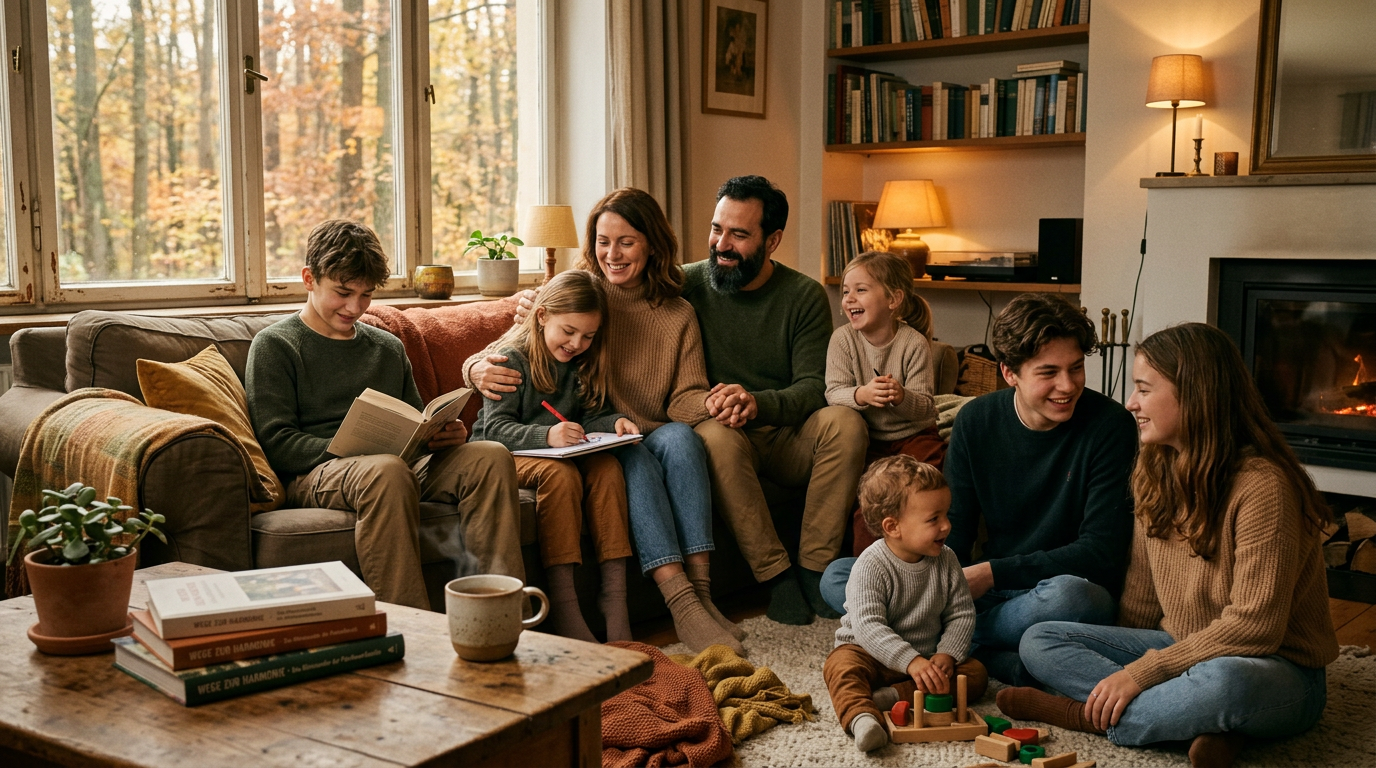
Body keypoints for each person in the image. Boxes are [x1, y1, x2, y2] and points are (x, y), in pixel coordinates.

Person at [998, 323, 1338, 768]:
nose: (1131, 403)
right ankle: (1199, 722)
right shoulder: (1155, 466)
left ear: (1195, 395)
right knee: (1040, 640)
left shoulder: (1264, 487)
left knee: (1223, 684)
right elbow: (1141, 596)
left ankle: (1084, 715)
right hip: (1178, 644)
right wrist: (1125, 667)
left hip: (1274, 668)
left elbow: (1257, 627)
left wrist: (1141, 674)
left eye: (1143, 389)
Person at [465, 188, 743, 654]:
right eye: (602, 240)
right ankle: (678, 601)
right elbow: (497, 356)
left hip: (625, 427)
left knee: (681, 440)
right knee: (627, 461)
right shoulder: (571, 295)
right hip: (596, 438)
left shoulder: (677, 313)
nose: (612, 254)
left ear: (651, 243)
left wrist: (719, 404)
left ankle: (701, 596)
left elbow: (683, 403)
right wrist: (474, 369)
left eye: (627, 242)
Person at [822, 293, 1137, 685]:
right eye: (1048, 372)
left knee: (1075, 599)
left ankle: (950, 645)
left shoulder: (1111, 426)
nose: (1067, 385)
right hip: (971, 593)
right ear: (1009, 373)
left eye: (1076, 368)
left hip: (1046, 592)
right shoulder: (977, 420)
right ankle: (978, 654)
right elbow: (954, 525)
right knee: (840, 575)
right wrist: (937, 583)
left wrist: (989, 574)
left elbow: (1101, 551)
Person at [246, 219, 523, 610]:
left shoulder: (386, 347)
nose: (355, 307)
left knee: (490, 456)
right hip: (316, 473)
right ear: (309, 279)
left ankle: (501, 614)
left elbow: (413, 421)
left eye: (366, 295)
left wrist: (440, 435)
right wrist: (353, 448)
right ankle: (414, 629)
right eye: (343, 293)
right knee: (387, 470)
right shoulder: (275, 345)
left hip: (396, 463)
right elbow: (278, 444)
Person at [688, 175, 868, 626]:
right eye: (716, 229)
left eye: (739, 234)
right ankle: (776, 577)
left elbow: (814, 386)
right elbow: (614, 286)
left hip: (787, 434)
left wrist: (757, 402)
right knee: (714, 436)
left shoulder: (802, 294)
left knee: (846, 422)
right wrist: (541, 299)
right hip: (728, 432)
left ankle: (813, 569)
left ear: (773, 240)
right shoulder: (687, 283)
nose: (721, 245)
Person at [471, 270, 637, 643]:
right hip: (499, 454)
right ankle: (564, 606)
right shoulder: (512, 359)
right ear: (542, 315)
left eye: (588, 336)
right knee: (560, 476)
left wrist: (617, 421)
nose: (577, 343)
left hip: (554, 452)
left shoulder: (581, 361)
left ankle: (615, 598)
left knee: (608, 467)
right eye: (569, 331)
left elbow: (591, 414)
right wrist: (546, 435)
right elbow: (494, 429)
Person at [822, 456, 986, 753]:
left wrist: (947, 655)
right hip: (870, 654)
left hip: (925, 658)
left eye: (946, 514)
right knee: (840, 665)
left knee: (975, 675)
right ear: (893, 526)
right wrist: (910, 661)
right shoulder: (871, 565)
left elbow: (961, 613)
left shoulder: (947, 560)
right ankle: (862, 717)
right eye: (933, 519)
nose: (947, 526)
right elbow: (868, 626)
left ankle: (888, 697)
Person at [824, 250, 943, 555]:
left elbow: (926, 407)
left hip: (915, 436)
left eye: (861, 290)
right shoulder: (842, 340)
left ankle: (922, 558)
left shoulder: (913, 343)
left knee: (920, 490)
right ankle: (868, 570)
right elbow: (832, 392)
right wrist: (860, 395)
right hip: (870, 440)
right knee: (871, 500)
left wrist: (901, 397)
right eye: (845, 291)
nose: (849, 299)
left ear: (893, 299)